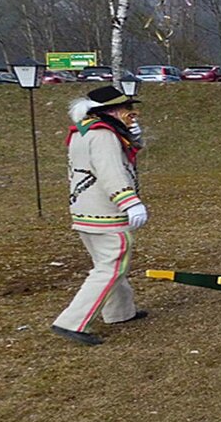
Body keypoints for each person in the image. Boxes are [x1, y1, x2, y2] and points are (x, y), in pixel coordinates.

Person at [52, 85, 149, 346]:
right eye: (127, 108)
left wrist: (131, 137)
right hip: (106, 211)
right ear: (113, 111)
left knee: (109, 263)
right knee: (112, 265)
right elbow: (110, 170)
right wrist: (129, 201)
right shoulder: (104, 135)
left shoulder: (82, 131)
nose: (132, 112)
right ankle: (71, 322)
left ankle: (120, 312)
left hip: (85, 209)